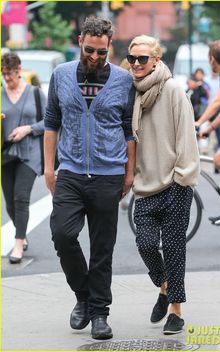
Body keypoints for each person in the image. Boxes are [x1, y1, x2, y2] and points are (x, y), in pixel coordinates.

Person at [44, 16, 135, 340]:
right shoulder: (61, 75)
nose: (94, 57)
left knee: (102, 248)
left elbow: (128, 129)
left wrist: (128, 174)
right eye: (89, 50)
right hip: (69, 170)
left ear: (109, 46)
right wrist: (48, 167)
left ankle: (99, 314)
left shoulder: (124, 80)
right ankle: (83, 296)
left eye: (101, 51)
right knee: (62, 235)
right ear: (80, 40)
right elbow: (52, 121)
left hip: (108, 173)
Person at [126, 35, 200, 335]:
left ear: (156, 59)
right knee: (144, 244)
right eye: (132, 59)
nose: (136, 64)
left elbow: (186, 135)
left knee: (173, 248)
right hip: (145, 187)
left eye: (143, 58)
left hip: (174, 185)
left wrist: (183, 178)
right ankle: (165, 287)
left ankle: (176, 310)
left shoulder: (171, 90)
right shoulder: (132, 92)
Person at [1, 52, 45, 264]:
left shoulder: (35, 93)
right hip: (5, 155)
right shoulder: (0, 94)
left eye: (10, 73)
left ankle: (18, 242)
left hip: (30, 154)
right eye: (4, 74)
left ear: (19, 70)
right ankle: (22, 232)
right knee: (9, 201)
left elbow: (51, 121)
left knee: (21, 198)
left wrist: (29, 128)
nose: (7, 78)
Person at [195, 40, 220, 224]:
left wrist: (199, 122)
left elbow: (217, 102)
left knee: (219, 160)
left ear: (212, 58)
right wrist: (208, 128)